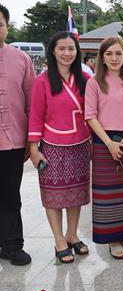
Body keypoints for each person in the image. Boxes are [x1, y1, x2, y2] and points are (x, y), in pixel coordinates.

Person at [28, 31, 91, 264]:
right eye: (62, 48)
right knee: (54, 195)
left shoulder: (86, 79)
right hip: (52, 145)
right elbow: (35, 116)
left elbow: (93, 112)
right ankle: (59, 240)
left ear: (77, 51)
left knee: (75, 194)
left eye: (71, 49)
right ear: (53, 51)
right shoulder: (42, 81)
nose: (67, 53)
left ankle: (72, 234)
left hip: (81, 143)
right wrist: (34, 149)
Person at [85, 37, 123, 259]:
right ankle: (111, 239)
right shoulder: (94, 82)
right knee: (107, 194)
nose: (114, 58)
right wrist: (108, 143)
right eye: (109, 54)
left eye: (118, 53)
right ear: (103, 57)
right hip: (104, 141)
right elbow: (90, 115)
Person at [0, 4, 35, 266]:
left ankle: (13, 245)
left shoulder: (21, 59)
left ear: (7, 28)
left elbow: (31, 102)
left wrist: (31, 140)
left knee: (11, 196)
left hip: (12, 141)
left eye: (0, 24)